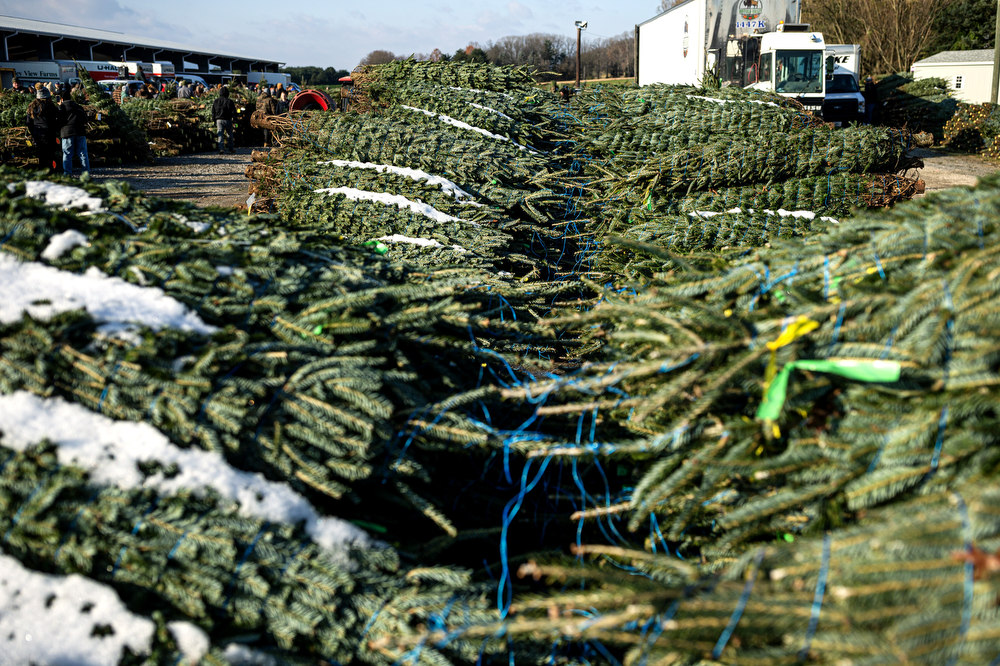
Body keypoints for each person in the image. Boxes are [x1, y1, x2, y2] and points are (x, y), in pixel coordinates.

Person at [26, 84, 58, 170]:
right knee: (50, 154)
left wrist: (33, 133)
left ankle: (42, 172)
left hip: (38, 133)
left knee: (41, 154)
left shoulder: (31, 107)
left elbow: (29, 122)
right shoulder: (51, 106)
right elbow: (58, 117)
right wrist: (55, 128)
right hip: (49, 133)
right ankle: (50, 171)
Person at [58, 93, 90, 176]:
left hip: (67, 132)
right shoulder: (78, 107)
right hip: (80, 131)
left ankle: (67, 173)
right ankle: (86, 173)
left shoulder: (61, 108)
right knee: (83, 153)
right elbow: (85, 119)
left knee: (67, 154)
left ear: (61, 99)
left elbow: (58, 121)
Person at [212, 85, 237, 154]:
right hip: (228, 119)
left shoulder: (216, 101)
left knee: (220, 134)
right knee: (229, 134)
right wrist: (235, 120)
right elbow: (234, 112)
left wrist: (214, 120)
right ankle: (230, 149)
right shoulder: (230, 101)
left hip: (219, 120)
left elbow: (213, 111)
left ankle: (221, 149)